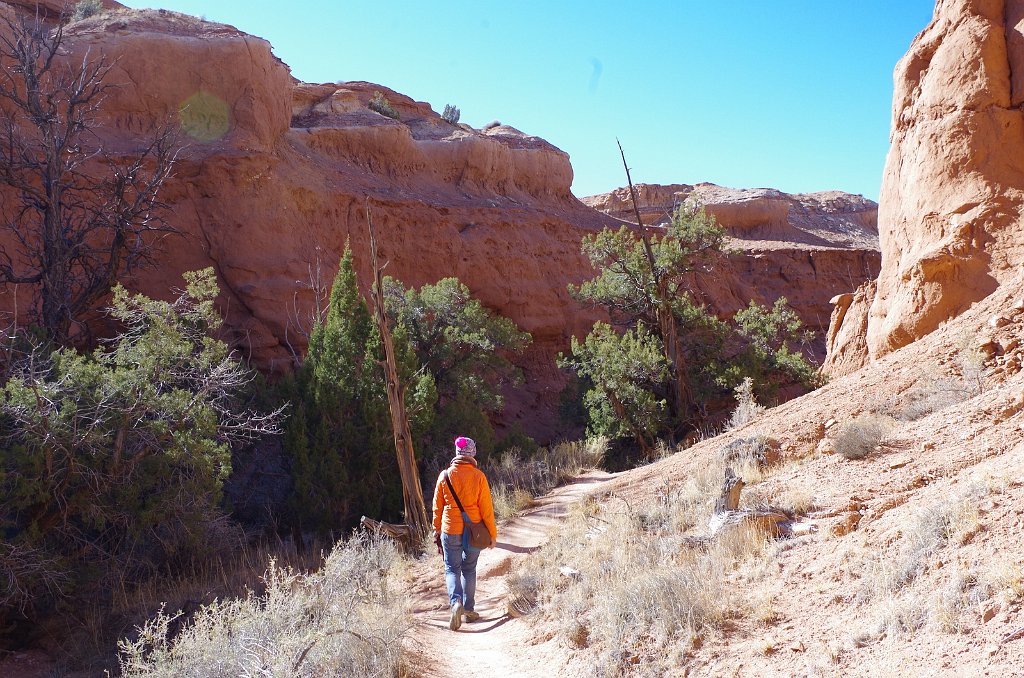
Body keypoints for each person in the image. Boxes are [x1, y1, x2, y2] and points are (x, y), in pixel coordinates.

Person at [432, 436, 498, 631]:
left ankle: (455, 603)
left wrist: (436, 529)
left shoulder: (444, 476)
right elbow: (486, 509)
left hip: (450, 529)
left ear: (457, 453)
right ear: (473, 453)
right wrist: (492, 535)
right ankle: (468, 611)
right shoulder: (479, 476)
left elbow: (437, 507)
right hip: (473, 532)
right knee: (469, 569)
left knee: (452, 569)